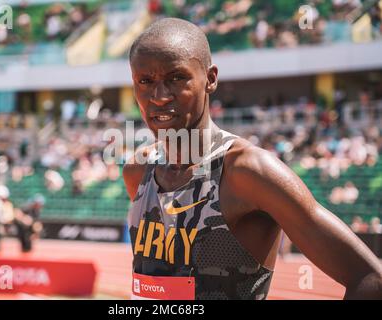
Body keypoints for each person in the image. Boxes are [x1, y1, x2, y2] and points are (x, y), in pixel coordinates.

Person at [123, 18, 382, 300]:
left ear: (210, 79)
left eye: (176, 77)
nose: (159, 96)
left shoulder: (248, 172)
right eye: (145, 81)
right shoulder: (139, 171)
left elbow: (370, 278)